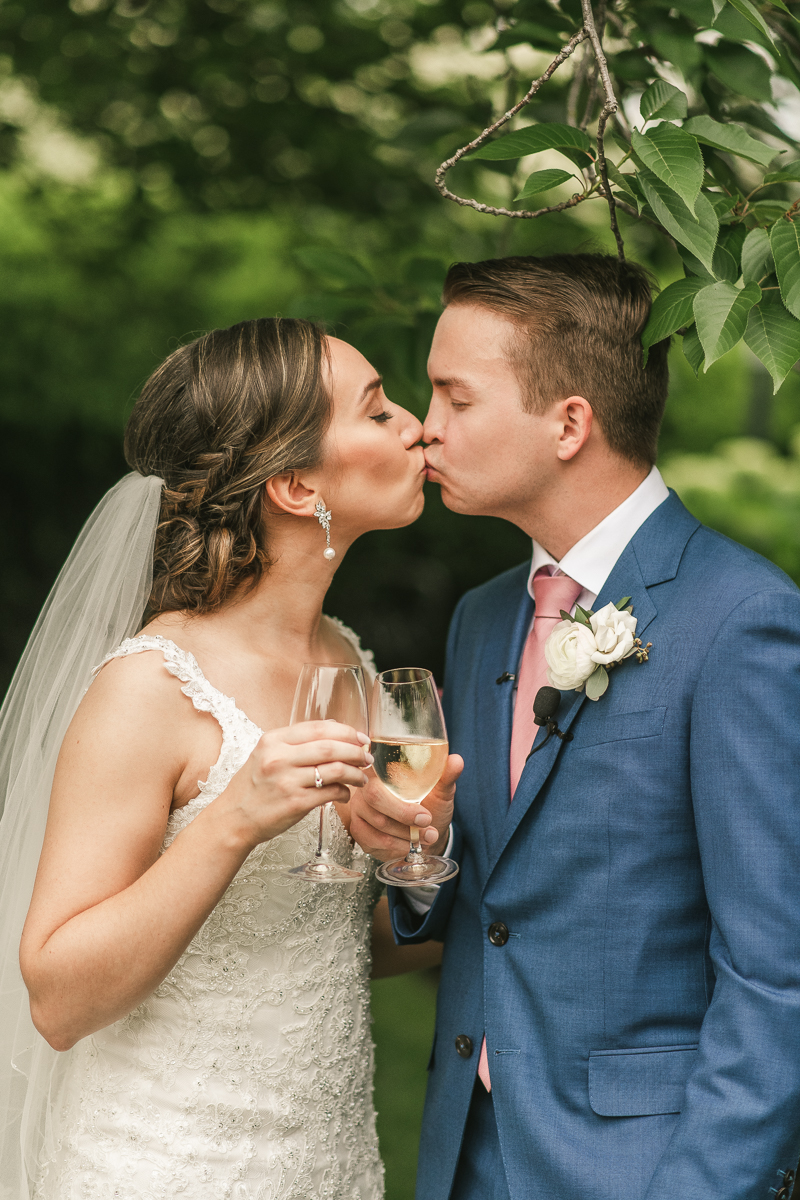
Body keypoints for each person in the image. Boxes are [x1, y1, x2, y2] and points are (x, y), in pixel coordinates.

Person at [350, 254, 800, 1200]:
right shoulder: (482, 617)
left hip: (643, 1171)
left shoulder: (740, 619)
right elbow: (492, 898)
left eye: (455, 398)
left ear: (569, 424)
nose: (426, 429)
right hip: (466, 1158)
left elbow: (777, 978)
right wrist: (419, 856)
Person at [0, 317, 447, 1200]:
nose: (416, 425)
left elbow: (338, 948)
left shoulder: (350, 664)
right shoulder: (151, 687)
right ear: (292, 483)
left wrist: (409, 867)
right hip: (164, 1164)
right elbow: (56, 1000)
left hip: (328, 1162)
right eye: (378, 411)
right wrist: (234, 821)